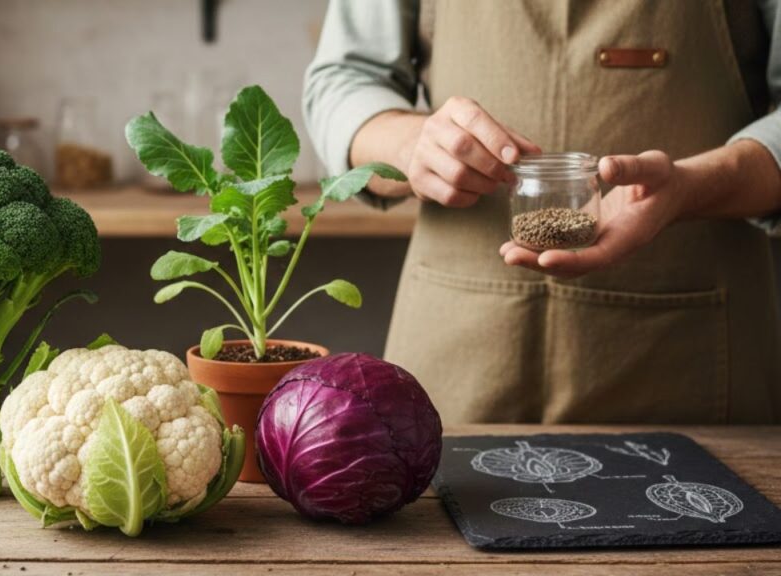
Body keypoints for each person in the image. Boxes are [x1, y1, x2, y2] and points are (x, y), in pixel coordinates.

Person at [304, 0, 781, 424]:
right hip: (461, 343)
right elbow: (343, 81)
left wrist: (691, 188)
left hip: (690, 355)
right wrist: (411, 145)